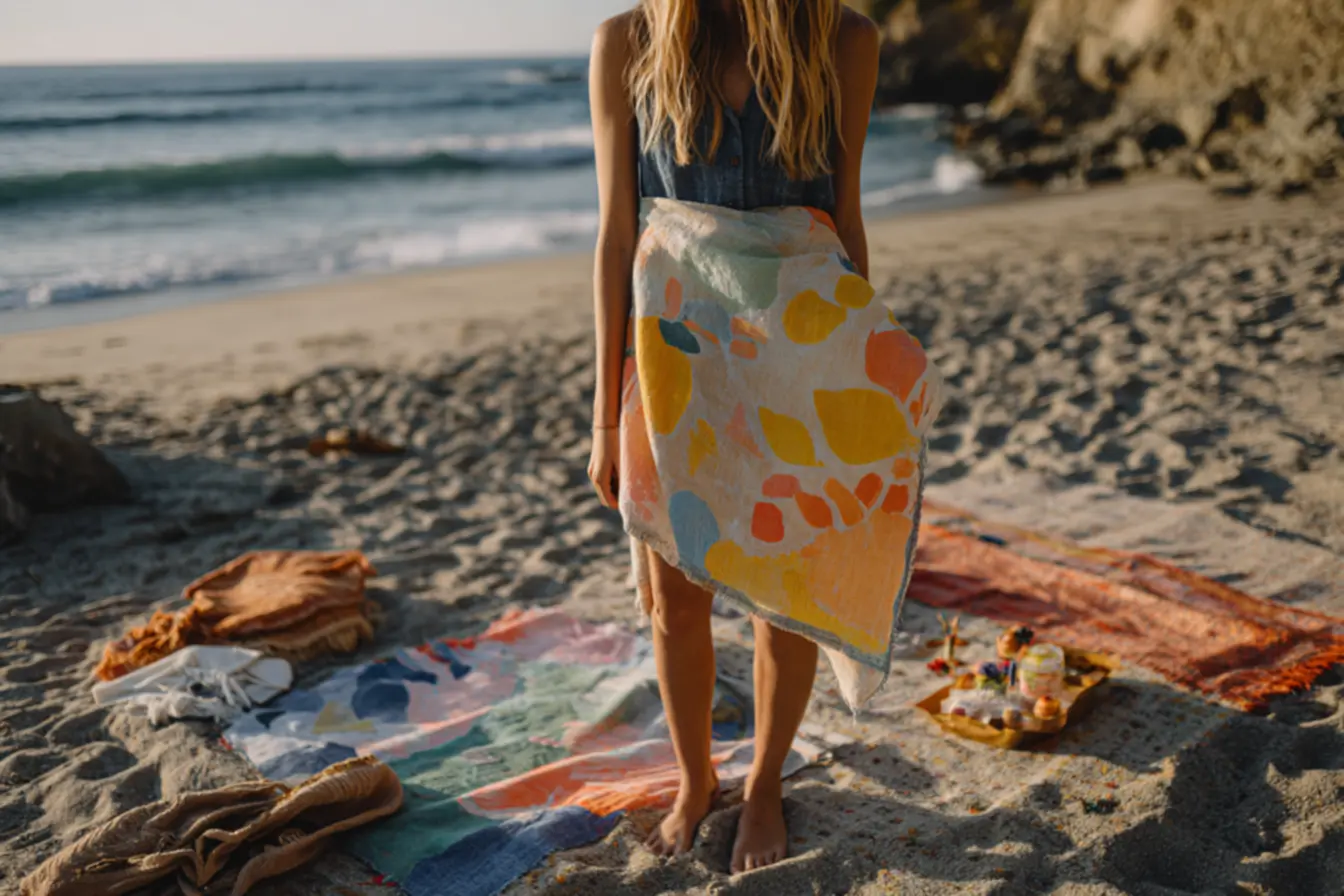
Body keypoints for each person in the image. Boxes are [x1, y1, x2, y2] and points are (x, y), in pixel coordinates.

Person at [586, 0, 896, 875]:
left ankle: (763, 784)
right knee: (674, 601)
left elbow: (844, 219)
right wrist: (607, 414)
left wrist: (855, 373)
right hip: (673, 353)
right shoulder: (630, 43)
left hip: (793, 353)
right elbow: (616, 235)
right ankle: (696, 782)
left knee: (781, 589)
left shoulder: (844, 41)